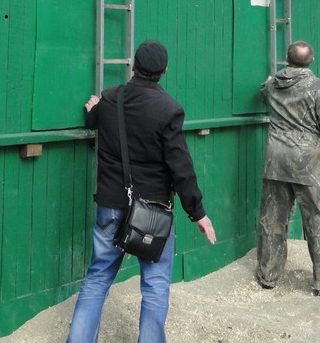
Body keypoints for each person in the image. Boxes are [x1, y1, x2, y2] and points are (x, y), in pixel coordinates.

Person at [65, 39, 216, 343]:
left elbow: (93, 119)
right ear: (164, 72)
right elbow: (181, 167)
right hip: (152, 212)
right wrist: (197, 213)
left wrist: (93, 109)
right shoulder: (169, 109)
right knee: (155, 286)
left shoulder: (110, 98)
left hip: (110, 205)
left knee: (97, 279)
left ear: (133, 65)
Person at [256, 40, 320, 295]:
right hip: (309, 165)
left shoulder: (273, 86)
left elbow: (263, 91)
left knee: (272, 220)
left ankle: (268, 276)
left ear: (287, 60)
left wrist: (267, 82)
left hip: (276, 162)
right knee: (319, 222)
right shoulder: (319, 88)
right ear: (311, 60)